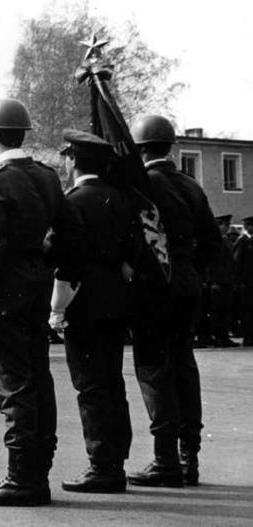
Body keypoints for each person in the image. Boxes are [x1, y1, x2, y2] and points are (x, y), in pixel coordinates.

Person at [0, 99, 81, 506]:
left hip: (5, 296)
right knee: (39, 381)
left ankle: (21, 479)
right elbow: (68, 234)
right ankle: (38, 474)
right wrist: (44, 266)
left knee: (14, 387)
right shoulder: (48, 178)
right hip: (37, 290)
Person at [127, 115, 219, 488]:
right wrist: (188, 269)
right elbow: (211, 241)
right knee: (184, 366)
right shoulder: (191, 185)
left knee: (153, 369)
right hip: (186, 282)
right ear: (170, 145)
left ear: (138, 147)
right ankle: (188, 458)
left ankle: (165, 459)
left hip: (153, 285)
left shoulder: (140, 185)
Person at [50, 129, 136, 493]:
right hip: (117, 300)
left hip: (83, 303)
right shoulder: (120, 198)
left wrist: (57, 308)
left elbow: (63, 258)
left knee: (90, 386)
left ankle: (103, 466)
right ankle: (116, 457)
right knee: (112, 381)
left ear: (72, 160)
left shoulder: (73, 202)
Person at [195, 215, 237, 348]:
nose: (227, 228)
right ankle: (216, 336)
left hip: (226, 280)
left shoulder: (225, 241)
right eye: (225, 225)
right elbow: (212, 263)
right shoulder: (214, 242)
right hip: (217, 281)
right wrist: (211, 281)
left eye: (228, 225)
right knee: (216, 311)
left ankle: (222, 336)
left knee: (224, 310)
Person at [234, 216, 253, 346]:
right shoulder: (243, 241)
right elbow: (237, 262)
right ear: (246, 226)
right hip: (247, 282)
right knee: (247, 310)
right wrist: (239, 280)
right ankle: (248, 336)